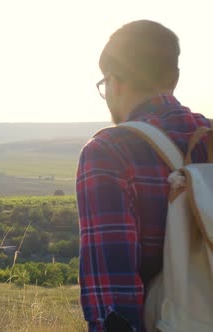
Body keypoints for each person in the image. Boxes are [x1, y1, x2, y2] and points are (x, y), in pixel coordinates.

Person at [76, 20, 211, 331]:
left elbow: (113, 296)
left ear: (114, 81)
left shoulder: (110, 152)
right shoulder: (210, 138)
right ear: (174, 78)